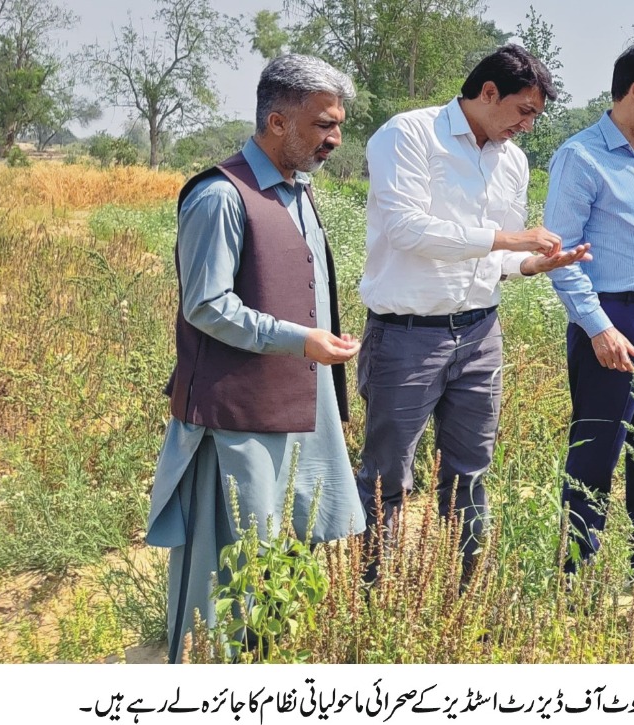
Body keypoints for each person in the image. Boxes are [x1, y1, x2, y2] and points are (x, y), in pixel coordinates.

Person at [147, 54, 365, 663]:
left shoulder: (298, 192)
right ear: (277, 120)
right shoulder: (220, 196)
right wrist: (301, 340)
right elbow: (207, 305)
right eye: (323, 124)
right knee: (223, 574)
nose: (334, 138)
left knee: (291, 554)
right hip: (238, 417)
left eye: (338, 124)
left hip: (304, 406)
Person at [357, 45, 589, 581]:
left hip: (481, 333)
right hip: (407, 336)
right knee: (387, 477)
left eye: (536, 115)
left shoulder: (512, 161)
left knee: (468, 474)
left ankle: (463, 594)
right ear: (488, 93)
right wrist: (510, 237)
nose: (528, 126)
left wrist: (536, 261)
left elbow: (500, 258)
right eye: (524, 111)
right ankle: (370, 595)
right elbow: (407, 230)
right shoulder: (408, 135)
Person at [544, 44, 634, 574]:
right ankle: (577, 571)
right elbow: (560, 257)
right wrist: (598, 327)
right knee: (597, 449)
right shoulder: (580, 157)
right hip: (612, 321)